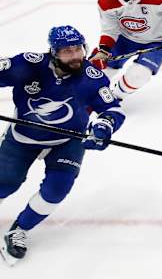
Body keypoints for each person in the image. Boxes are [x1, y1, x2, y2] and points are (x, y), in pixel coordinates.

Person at [0, 25, 125, 265]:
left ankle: (20, 229)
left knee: (57, 189)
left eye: (78, 49)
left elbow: (112, 109)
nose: (75, 55)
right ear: (54, 52)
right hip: (23, 137)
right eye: (67, 51)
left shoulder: (92, 77)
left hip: (68, 140)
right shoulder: (29, 65)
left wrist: (103, 127)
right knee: (5, 185)